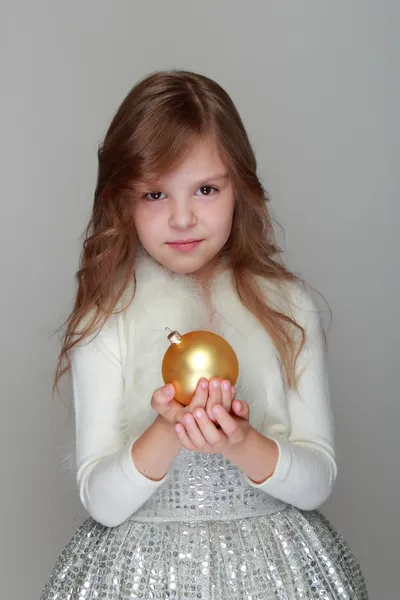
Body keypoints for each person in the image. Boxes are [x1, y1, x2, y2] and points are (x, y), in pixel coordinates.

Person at [41, 70, 368, 599]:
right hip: (142, 578)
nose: (182, 218)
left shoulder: (286, 307)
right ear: (121, 201)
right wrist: (169, 428)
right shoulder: (107, 317)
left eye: (206, 189)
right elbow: (102, 501)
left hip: (274, 576)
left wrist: (242, 441)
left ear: (240, 186)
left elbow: (317, 482)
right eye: (153, 194)